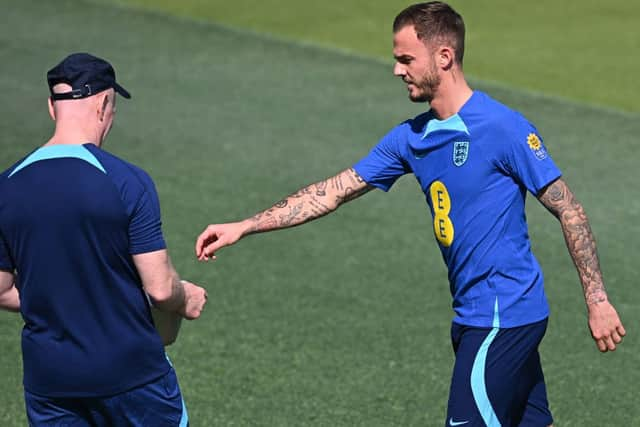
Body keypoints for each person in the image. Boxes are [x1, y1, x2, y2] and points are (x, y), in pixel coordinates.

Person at [195, 2, 626, 426]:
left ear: (444, 57)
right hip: (476, 314)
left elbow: (569, 209)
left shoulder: (503, 128)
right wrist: (246, 225)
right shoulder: (411, 137)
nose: (397, 70)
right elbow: (333, 192)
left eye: (406, 59)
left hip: (501, 316)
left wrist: (598, 300)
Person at [0, 53, 207, 427]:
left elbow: (0, 290)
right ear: (104, 103)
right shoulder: (126, 180)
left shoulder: (7, 184)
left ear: (52, 106)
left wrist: (64, 301)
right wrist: (186, 297)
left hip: (51, 381)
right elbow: (160, 290)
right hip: (132, 376)